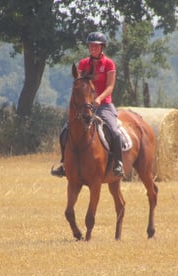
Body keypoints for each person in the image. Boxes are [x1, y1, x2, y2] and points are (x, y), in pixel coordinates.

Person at [51, 31, 124, 178]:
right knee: (65, 131)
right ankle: (65, 164)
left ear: (102, 47)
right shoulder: (83, 63)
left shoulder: (109, 63)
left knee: (115, 133)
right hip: (84, 106)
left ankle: (118, 163)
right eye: (91, 46)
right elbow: (79, 82)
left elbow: (110, 86)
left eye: (96, 46)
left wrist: (99, 98)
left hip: (103, 105)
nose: (93, 48)